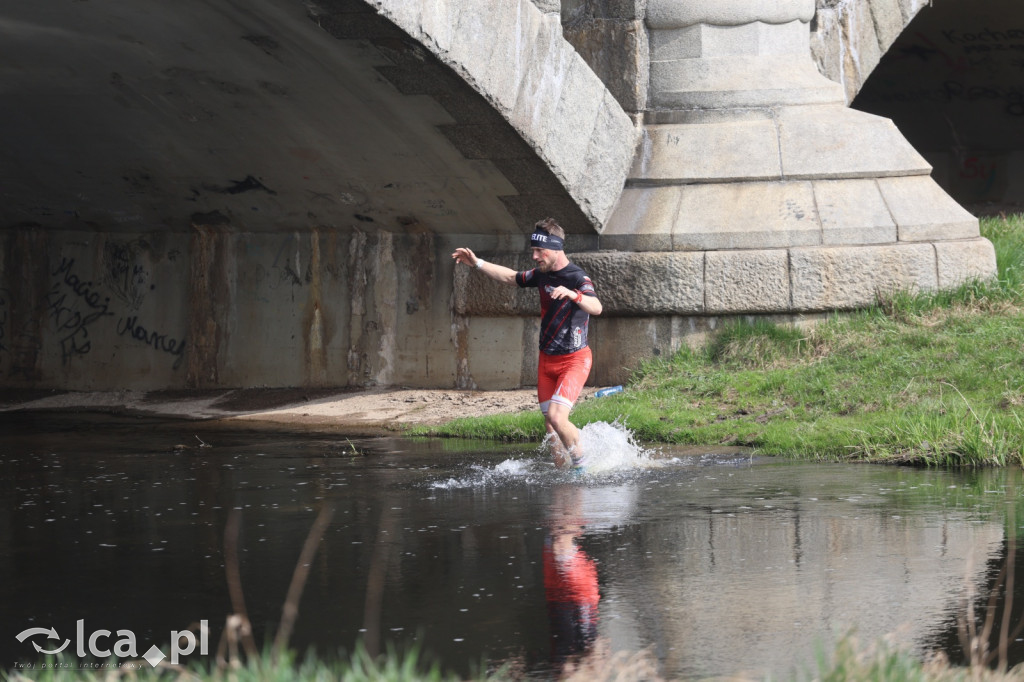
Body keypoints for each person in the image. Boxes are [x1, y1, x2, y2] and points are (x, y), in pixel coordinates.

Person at [452, 217, 603, 468]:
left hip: (574, 360)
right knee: (550, 425)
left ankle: (582, 468)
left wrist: (573, 295)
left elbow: (596, 307)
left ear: (555, 248)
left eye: (539, 251)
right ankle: (562, 475)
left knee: (557, 417)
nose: (534, 256)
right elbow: (511, 277)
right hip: (547, 361)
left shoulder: (577, 277)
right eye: (533, 250)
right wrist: (477, 263)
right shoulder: (541, 275)